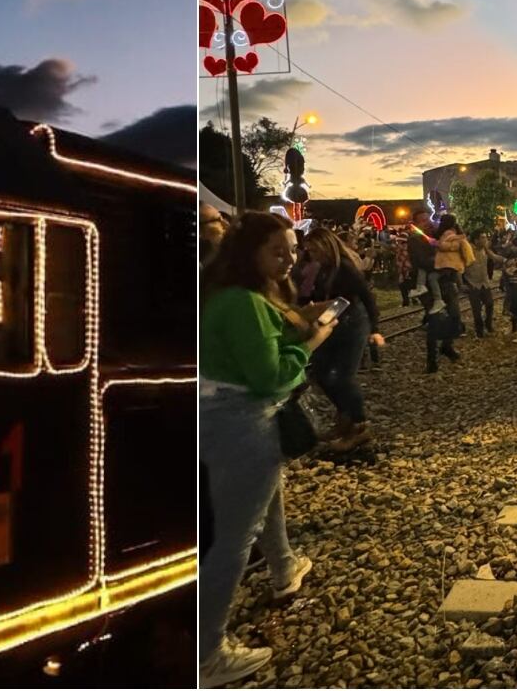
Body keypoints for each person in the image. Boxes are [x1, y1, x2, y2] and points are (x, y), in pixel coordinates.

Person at [199, 213, 335, 686]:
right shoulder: (244, 303)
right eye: (277, 251)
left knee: (267, 494)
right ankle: (207, 653)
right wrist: (314, 341)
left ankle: (283, 568)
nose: (289, 260)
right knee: (235, 537)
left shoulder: (226, 295)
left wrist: (296, 328)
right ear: (248, 252)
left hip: (220, 417)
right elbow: (269, 375)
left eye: (293, 250)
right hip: (242, 420)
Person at [300, 229, 382, 452]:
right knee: (321, 373)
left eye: (314, 249)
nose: (311, 254)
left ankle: (358, 424)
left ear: (325, 246)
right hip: (336, 320)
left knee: (342, 377)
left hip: (352, 322)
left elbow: (365, 296)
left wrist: (374, 328)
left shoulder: (343, 268)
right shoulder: (324, 269)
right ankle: (346, 417)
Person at [426, 214, 468, 372]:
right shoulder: (426, 240)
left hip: (448, 281)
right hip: (435, 284)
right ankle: (432, 360)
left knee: (455, 316)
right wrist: (441, 266)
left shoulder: (443, 236)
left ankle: (446, 346)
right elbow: (422, 260)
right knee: (434, 322)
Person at [462, 231, 497, 338]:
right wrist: (462, 283)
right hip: (473, 283)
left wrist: (506, 261)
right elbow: (460, 266)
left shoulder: (485, 249)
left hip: (484, 282)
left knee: (490, 304)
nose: (485, 239)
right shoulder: (468, 250)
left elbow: (494, 257)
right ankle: (479, 330)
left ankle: (488, 324)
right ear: (476, 240)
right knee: (476, 309)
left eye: (485, 237)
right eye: (483, 237)